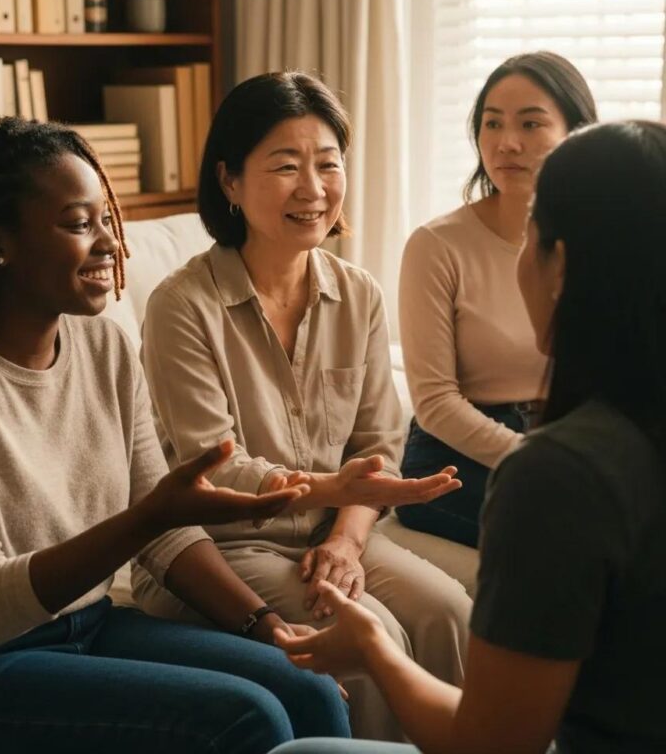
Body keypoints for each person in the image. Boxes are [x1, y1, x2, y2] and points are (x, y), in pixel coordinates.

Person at [0, 116, 356, 754]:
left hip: (82, 626)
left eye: (106, 219)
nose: (109, 243)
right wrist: (150, 515)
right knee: (244, 716)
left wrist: (265, 626)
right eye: (78, 224)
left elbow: (166, 529)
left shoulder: (103, 345)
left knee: (306, 687)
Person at [273, 120, 666, 754]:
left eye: (531, 232)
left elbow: (491, 744)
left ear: (559, 264)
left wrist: (372, 647)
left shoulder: (560, 477)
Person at [132, 71, 473, 741]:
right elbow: (214, 469)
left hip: (326, 536)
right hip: (223, 547)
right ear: (229, 181)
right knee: (374, 639)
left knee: (450, 612)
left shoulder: (359, 294)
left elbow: (376, 440)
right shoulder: (182, 306)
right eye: (286, 166)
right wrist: (331, 490)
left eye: (328, 163)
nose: (313, 188)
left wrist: (346, 538)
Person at [397, 51, 597, 547]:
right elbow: (436, 401)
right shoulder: (437, 245)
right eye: (492, 124)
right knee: (578, 538)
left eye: (531, 123)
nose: (507, 143)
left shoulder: (602, 238)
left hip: (567, 438)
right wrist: (539, 460)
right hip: (458, 459)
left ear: (577, 131)